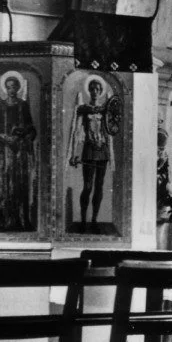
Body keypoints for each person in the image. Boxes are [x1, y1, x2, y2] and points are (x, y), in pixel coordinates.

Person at [68, 79, 116, 233]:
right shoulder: (83, 109)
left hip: (102, 150)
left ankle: (94, 220)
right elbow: (76, 131)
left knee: (99, 186)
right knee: (87, 186)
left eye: (97, 89)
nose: (95, 91)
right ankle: (83, 220)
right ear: (89, 90)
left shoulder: (105, 109)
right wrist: (74, 153)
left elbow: (111, 129)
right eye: (92, 88)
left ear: (100, 90)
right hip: (89, 150)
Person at [0, 75, 36, 231]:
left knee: (21, 184)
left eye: (14, 87)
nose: (11, 90)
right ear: (5, 88)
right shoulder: (1, 106)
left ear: (18, 88)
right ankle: (8, 220)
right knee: (7, 184)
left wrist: (26, 134)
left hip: (21, 150)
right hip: (6, 151)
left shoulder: (23, 105)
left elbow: (32, 128)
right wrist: (7, 138)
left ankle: (23, 219)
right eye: (8, 87)